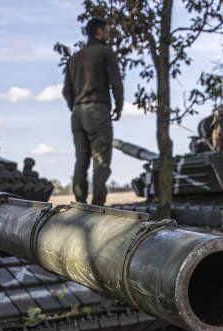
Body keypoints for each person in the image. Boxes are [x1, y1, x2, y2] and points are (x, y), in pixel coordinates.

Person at [62, 18, 124, 206]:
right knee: (101, 159)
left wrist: (75, 106)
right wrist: (118, 106)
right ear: (98, 31)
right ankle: (97, 205)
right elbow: (116, 82)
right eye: (106, 30)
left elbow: (66, 90)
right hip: (97, 109)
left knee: (81, 159)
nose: (107, 34)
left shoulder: (74, 58)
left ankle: (80, 202)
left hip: (77, 113)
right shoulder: (105, 52)